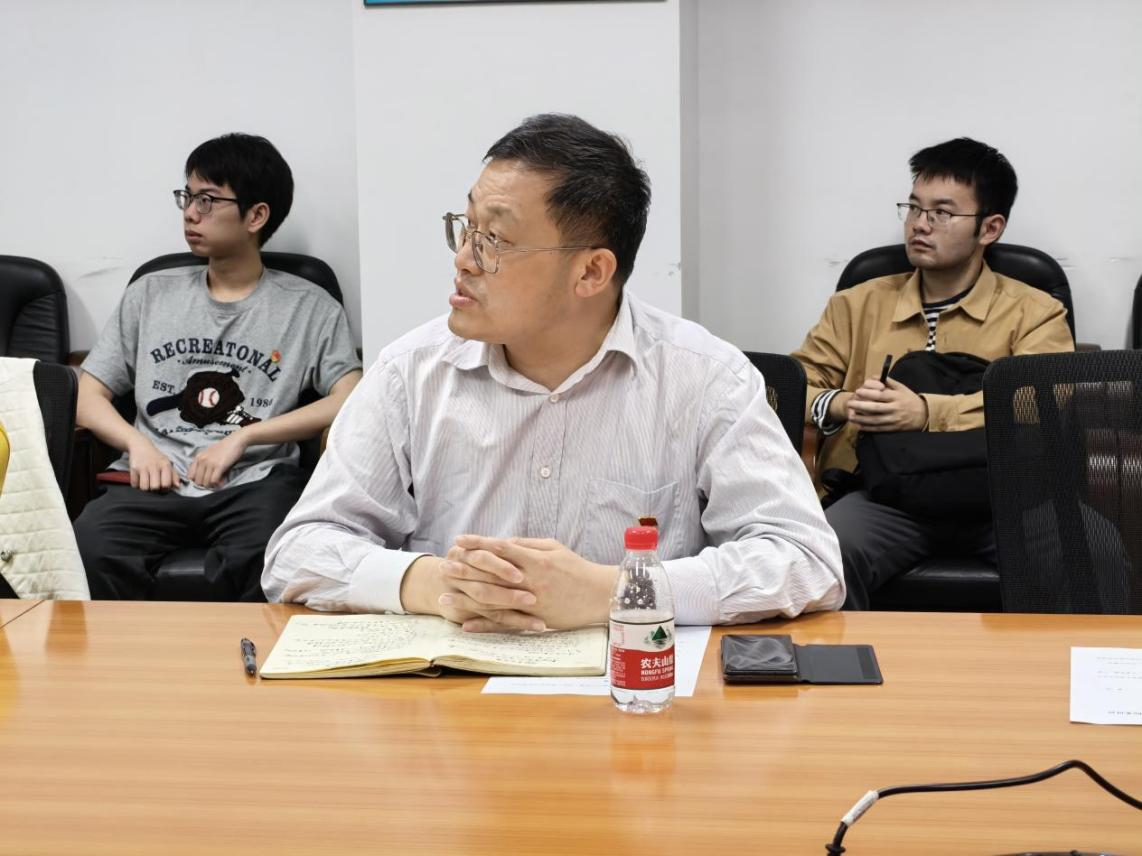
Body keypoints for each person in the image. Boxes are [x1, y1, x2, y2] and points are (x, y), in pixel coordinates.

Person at [263, 113, 843, 630]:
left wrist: (615, 591)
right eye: (467, 227)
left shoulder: (705, 377)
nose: (463, 259)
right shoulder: (409, 371)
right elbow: (297, 551)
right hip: (453, 693)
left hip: (631, 693)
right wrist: (436, 583)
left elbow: (805, 560)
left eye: (494, 239)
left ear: (590, 273)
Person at [74, 133, 362, 600]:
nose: (190, 213)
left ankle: (245, 650)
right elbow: (88, 397)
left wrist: (244, 437)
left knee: (274, 557)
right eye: (187, 197)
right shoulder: (150, 294)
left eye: (207, 200)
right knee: (90, 548)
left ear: (256, 216)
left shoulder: (309, 306)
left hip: (254, 482)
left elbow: (350, 397)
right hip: (152, 479)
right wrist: (137, 445)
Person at [791, 137, 1074, 609]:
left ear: (990, 228)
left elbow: (1040, 402)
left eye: (942, 212)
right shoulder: (857, 304)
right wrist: (841, 404)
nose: (920, 224)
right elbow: (787, 387)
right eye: (914, 208)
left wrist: (925, 412)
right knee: (821, 555)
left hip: (1004, 496)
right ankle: (846, 660)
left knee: (1090, 553)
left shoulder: (1035, 311)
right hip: (886, 497)